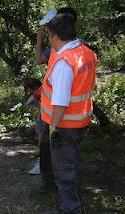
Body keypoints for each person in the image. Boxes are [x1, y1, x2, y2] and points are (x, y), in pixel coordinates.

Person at [40, 14, 97, 214]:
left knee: (64, 169)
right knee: (70, 164)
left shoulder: (64, 63)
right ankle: (71, 202)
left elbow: (60, 103)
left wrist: (53, 129)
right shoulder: (86, 53)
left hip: (64, 125)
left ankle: (70, 209)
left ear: (55, 37)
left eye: (48, 35)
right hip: (80, 120)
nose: (48, 40)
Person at [36, 8, 109, 126]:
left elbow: (60, 103)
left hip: (62, 121)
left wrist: (53, 128)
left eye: (48, 30)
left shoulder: (64, 60)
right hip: (77, 119)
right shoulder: (84, 50)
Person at [24, 78, 43, 175]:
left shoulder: (40, 91)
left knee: (42, 138)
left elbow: (29, 103)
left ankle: (41, 162)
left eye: (30, 91)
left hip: (45, 116)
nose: (30, 93)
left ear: (35, 87)